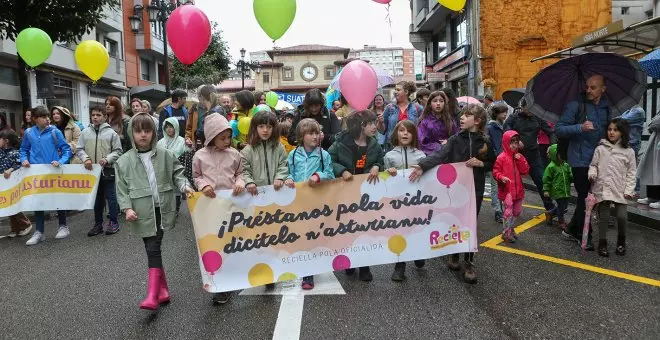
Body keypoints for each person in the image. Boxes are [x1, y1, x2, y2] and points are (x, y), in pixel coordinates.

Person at [409, 104, 495, 284]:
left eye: (467, 115)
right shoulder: (455, 139)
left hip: (476, 188)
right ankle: (454, 255)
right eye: (461, 115)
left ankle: (469, 262)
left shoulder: (485, 142)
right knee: (456, 221)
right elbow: (440, 155)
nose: (461, 118)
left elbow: (492, 163)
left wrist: (482, 165)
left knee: (470, 222)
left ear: (477, 121)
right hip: (455, 189)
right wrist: (423, 166)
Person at [115, 113, 193, 310]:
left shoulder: (165, 154)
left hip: (162, 209)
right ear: (131, 133)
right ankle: (163, 290)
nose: (143, 135)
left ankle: (152, 295)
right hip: (140, 211)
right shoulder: (124, 161)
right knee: (151, 249)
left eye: (147, 131)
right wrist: (127, 209)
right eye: (138, 131)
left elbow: (178, 174)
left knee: (153, 248)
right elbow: (121, 188)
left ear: (153, 133)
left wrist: (185, 187)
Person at [192, 113, 245, 304]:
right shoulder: (200, 155)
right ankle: (220, 285)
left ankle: (229, 281)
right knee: (214, 245)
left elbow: (241, 173)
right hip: (209, 208)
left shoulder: (234, 154)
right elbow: (196, 176)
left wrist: (240, 182)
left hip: (231, 207)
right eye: (222, 137)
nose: (227, 141)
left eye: (229, 137)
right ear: (211, 136)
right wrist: (202, 186)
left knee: (230, 244)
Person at [556, 74, 611, 250]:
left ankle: (572, 229)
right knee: (584, 196)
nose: (589, 90)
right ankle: (583, 234)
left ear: (603, 89)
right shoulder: (575, 105)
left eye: (593, 88)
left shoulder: (606, 107)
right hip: (578, 158)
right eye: (587, 87)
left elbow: (607, 130)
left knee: (590, 197)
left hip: (597, 159)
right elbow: (559, 129)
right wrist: (580, 127)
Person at [329, 110, 384, 282]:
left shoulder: (374, 144)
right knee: (349, 229)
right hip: (345, 193)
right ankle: (350, 261)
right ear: (361, 125)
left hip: (367, 194)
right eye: (371, 123)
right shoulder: (340, 143)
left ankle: (365, 266)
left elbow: (381, 161)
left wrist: (376, 166)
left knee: (365, 229)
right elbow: (329, 160)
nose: (375, 127)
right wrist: (342, 170)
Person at [287, 118, 335, 288]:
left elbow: (330, 173)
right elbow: (289, 172)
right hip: (299, 201)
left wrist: (319, 176)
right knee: (302, 235)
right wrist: (289, 179)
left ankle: (310, 271)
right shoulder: (293, 155)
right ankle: (307, 271)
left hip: (317, 201)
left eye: (317, 133)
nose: (315, 136)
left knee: (314, 235)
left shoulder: (324, 154)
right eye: (311, 133)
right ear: (302, 136)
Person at [20, 106, 72, 246]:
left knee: (58, 197)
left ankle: (63, 226)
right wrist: (23, 159)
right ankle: (39, 232)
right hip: (36, 172)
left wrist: (60, 162)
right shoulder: (29, 133)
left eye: (48, 116)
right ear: (35, 119)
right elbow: (23, 149)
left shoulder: (55, 132)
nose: (48, 119)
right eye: (43, 117)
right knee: (38, 201)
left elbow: (66, 150)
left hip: (53, 171)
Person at [384, 120, 427, 281]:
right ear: (396, 134)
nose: (405, 133)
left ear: (414, 135)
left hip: (416, 200)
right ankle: (400, 266)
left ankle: (418, 252)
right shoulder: (389, 156)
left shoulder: (421, 155)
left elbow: (427, 177)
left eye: (409, 131)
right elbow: (384, 179)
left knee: (416, 229)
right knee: (399, 231)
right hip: (398, 201)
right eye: (401, 130)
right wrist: (388, 172)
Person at [588, 118, 636, 257]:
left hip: (620, 188)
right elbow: (594, 165)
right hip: (602, 187)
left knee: (621, 216)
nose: (612, 132)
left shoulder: (629, 152)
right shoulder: (600, 148)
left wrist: (629, 190)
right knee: (603, 216)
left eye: (615, 130)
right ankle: (602, 243)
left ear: (622, 132)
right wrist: (592, 174)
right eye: (609, 129)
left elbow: (632, 172)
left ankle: (621, 241)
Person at [503, 98, 556, 219]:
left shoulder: (538, 117)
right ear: (523, 106)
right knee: (512, 184)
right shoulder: (513, 118)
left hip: (533, 154)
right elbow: (506, 131)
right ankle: (508, 210)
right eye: (529, 108)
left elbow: (551, 132)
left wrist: (552, 145)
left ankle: (550, 208)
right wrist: (515, 139)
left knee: (542, 180)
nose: (532, 110)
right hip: (516, 155)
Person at [76, 106, 123, 236]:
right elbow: (79, 149)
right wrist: (86, 159)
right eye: (93, 115)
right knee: (97, 199)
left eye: (98, 115)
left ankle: (113, 222)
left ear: (104, 117)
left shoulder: (112, 133)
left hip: (108, 170)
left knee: (111, 197)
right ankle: (98, 224)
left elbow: (118, 151)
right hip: (92, 172)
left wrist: (107, 159)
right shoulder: (85, 132)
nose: (95, 117)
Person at [493, 131, 530, 243]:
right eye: (511, 142)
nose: (514, 145)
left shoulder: (518, 156)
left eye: (516, 142)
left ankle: (510, 228)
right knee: (508, 213)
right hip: (507, 191)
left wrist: (521, 159)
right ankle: (506, 232)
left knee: (517, 211)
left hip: (518, 191)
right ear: (505, 143)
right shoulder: (501, 157)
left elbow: (525, 170)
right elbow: (495, 172)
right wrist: (501, 177)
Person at [0, 129, 32, 238]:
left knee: (13, 205)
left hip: (12, 184)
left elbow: (19, 164)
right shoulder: (0, 152)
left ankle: (26, 224)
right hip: (3, 185)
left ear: (6, 141)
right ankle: (15, 229)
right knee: (7, 206)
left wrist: (10, 170)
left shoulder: (15, 153)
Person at [379, 81, 423, 151]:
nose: (395, 92)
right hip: (393, 147)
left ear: (406, 92)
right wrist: (380, 123)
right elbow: (382, 131)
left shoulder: (418, 108)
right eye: (395, 89)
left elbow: (422, 129)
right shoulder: (389, 107)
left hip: (412, 146)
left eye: (398, 90)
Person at [158, 117, 189, 216]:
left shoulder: (182, 141)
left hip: (177, 170)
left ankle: (176, 209)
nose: (169, 129)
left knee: (176, 191)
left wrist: (189, 146)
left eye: (171, 126)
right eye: (167, 127)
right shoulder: (161, 142)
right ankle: (167, 208)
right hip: (164, 169)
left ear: (176, 127)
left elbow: (187, 154)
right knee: (166, 189)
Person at [417, 91, 459, 155]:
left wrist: (449, 141)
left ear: (445, 104)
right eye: (435, 101)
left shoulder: (450, 121)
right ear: (429, 104)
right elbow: (421, 142)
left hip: (448, 155)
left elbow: (457, 137)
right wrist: (440, 147)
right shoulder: (424, 122)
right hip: (430, 157)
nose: (438, 103)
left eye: (441, 101)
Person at [187, 85, 226, 151]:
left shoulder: (211, 113)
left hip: (212, 148)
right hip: (220, 146)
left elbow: (202, 133)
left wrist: (196, 133)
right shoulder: (221, 109)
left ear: (201, 97)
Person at [543, 144, 573, 230]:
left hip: (565, 190)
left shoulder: (566, 165)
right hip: (557, 191)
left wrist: (574, 177)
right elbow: (546, 179)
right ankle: (561, 222)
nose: (562, 156)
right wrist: (546, 190)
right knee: (561, 207)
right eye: (559, 154)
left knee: (564, 207)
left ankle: (550, 213)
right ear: (554, 154)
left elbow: (570, 176)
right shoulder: (551, 167)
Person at [487, 103, 508, 223]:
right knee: (495, 186)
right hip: (495, 161)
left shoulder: (505, 126)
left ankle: (504, 208)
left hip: (505, 160)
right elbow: (489, 145)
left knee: (503, 185)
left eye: (505, 112)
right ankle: (498, 211)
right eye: (502, 112)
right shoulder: (490, 127)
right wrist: (496, 155)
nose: (504, 114)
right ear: (496, 114)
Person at [620, 104, 645, 197]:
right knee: (626, 167)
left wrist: (621, 118)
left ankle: (636, 190)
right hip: (627, 143)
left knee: (633, 167)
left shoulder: (639, 111)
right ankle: (629, 189)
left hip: (633, 144)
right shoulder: (628, 111)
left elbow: (621, 121)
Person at [637, 113, 660, 209]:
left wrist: (654, 123)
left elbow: (655, 123)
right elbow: (651, 125)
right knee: (651, 169)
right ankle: (652, 196)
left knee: (658, 170)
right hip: (655, 140)